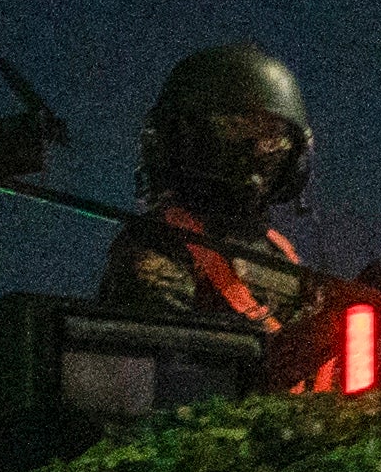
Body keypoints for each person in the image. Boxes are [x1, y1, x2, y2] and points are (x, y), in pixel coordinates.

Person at [98, 47, 317, 343]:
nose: (255, 150)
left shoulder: (281, 253)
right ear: (183, 139)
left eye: (272, 137)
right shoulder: (159, 243)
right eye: (235, 129)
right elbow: (174, 366)